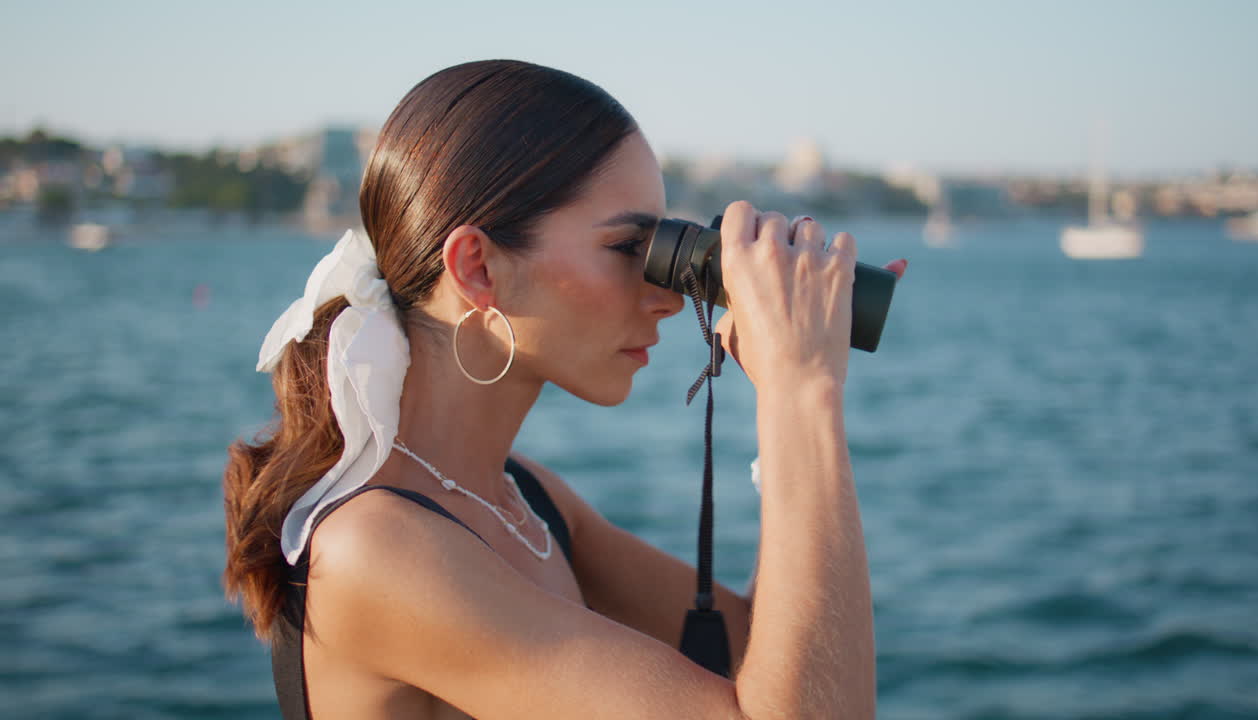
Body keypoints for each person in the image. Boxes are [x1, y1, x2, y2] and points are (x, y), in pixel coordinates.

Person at [223, 59, 907, 720]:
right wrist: (802, 392)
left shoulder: (525, 498)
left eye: (662, 251)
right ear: (478, 267)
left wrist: (785, 381)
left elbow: (777, 650)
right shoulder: (374, 550)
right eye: (624, 248)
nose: (668, 300)